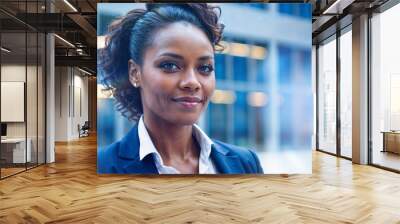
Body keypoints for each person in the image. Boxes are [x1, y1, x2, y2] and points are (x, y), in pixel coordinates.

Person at [98, 3, 264, 174]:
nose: (192, 82)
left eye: (205, 68)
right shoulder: (102, 167)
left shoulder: (246, 163)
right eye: (170, 65)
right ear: (135, 73)